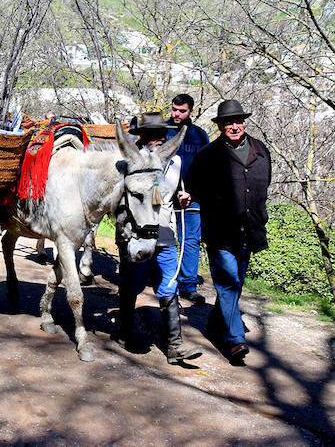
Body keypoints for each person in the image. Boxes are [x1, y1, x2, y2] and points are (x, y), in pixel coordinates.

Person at [187, 99, 271, 364]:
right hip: (220, 231)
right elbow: (194, 187)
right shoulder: (209, 155)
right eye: (228, 123)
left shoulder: (260, 150)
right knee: (228, 282)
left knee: (236, 284)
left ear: (243, 123)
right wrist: (187, 197)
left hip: (250, 229)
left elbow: (264, 183)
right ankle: (235, 341)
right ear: (220, 126)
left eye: (238, 121)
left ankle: (215, 324)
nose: (234, 126)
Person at [115, 113, 204, 365]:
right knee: (131, 284)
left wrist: (183, 198)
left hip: (165, 234)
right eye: (154, 134)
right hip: (135, 235)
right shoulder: (127, 162)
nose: (160, 138)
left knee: (168, 286)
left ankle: (175, 345)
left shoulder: (174, 162)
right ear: (142, 136)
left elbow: (170, 194)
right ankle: (125, 332)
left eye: (162, 134)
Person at [165, 93, 211, 305]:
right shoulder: (162, 131)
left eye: (182, 111)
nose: (177, 114)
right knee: (161, 240)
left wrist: (191, 192)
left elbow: (206, 170)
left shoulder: (200, 136)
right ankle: (163, 281)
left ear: (191, 112)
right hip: (163, 196)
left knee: (190, 241)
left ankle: (188, 286)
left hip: (191, 197)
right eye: (175, 109)